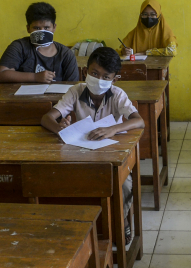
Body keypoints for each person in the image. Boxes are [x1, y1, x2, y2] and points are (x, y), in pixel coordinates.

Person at [41, 46, 144, 244]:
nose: (99, 80)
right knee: (61, 181)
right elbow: (47, 118)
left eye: (106, 76)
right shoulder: (75, 91)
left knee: (124, 185)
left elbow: (139, 121)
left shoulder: (117, 94)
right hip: (79, 152)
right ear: (85, 72)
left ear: (115, 79)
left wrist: (114, 129)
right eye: (94, 73)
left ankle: (120, 220)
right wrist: (59, 128)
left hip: (111, 154)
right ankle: (80, 226)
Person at [0, 2, 79, 83]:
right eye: (37, 28)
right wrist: (35, 77)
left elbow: (73, 86)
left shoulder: (66, 55)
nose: (42, 32)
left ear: (54, 28)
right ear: (28, 28)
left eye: (46, 27)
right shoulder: (19, 47)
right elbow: (2, 74)